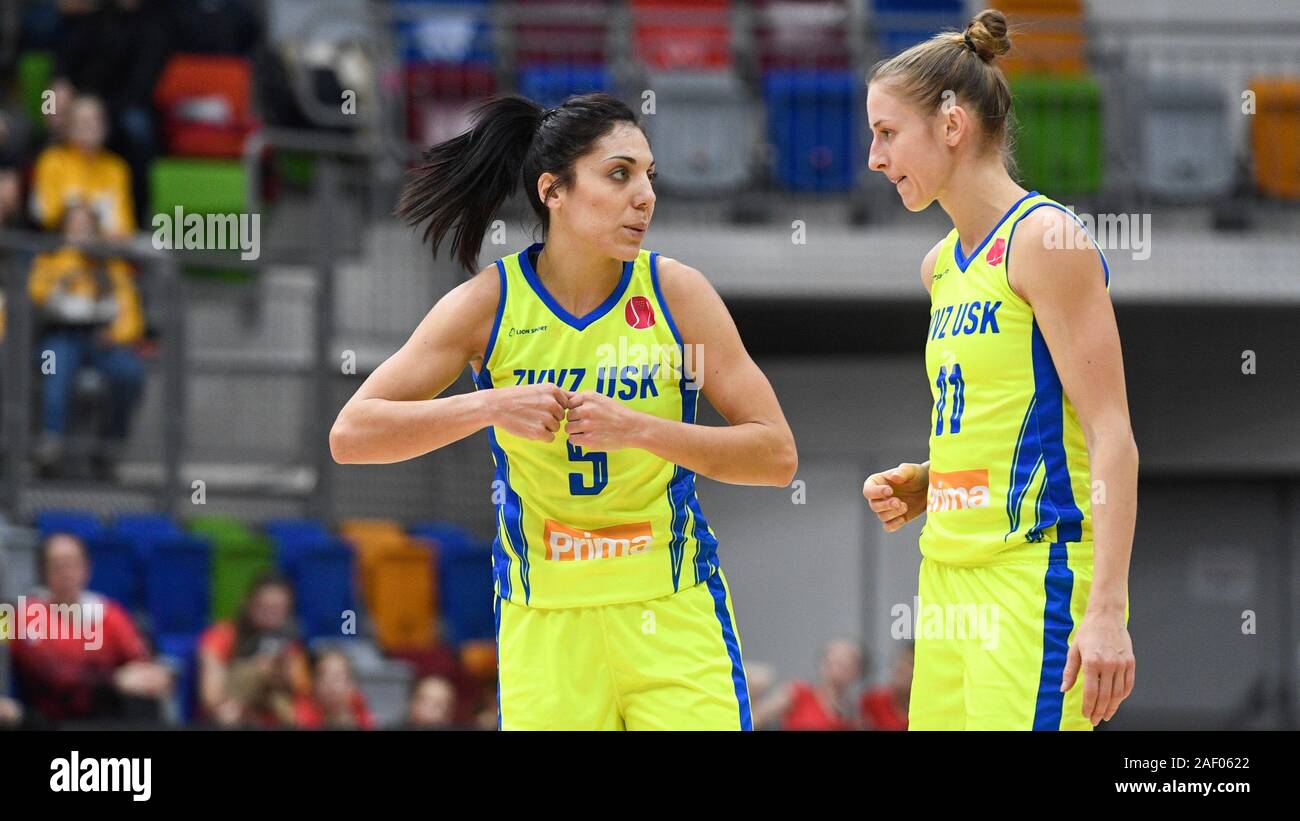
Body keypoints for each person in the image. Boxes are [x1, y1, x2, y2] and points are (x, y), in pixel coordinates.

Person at [331, 93, 798, 730]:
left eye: (649, 176)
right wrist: (489, 404)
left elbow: (775, 456)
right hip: (544, 622)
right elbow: (352, 434)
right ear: (553, 190)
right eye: (618, 174)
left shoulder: (676, 294)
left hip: (671, 609)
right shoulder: (490, 305)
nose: (644, 196)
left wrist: (640, 428)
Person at [861, 10, 1138, 730]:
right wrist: (932, 478)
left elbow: (1111, 433)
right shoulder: (940, 267)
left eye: (887, 133)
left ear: (951, 124)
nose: (873, 156)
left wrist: (1107, 609)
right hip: (947, 575)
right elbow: (1009, 411)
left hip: (1033, 574)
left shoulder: (1045, 239)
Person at [29, 202, 146, 478]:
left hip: (101, 340)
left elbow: (131, 314)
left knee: (130, 373)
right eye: (75, 226)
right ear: (64, 230)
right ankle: (51, 445)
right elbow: (38, 295)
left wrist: (116, 334)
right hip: (60, 336)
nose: (82, 232)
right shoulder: (51, 259)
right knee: (53, 366)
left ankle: (108, 448)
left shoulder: (111, 264)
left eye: (87, 226)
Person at [8, 532, 172, 725]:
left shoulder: (108, 613)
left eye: (71, 563)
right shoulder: (26, 614)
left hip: (105, 714)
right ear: (44, 572)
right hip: (51, 718)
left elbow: (140, 661)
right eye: (57, 564)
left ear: (86, 569)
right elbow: (56, 677)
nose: (65, 572)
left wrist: (151, 675)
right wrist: (114, 681)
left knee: (145, 700)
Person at [197, 573, 312, 727]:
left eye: (278, 608)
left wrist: (282, 671)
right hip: (235, 707)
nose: (271, 615)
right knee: (227, 715)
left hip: (272, 711)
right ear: (248, 603)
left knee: (302, 714)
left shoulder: (290, 643)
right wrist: (254, 673)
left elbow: (300, 687)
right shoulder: (221, 636)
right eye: (264, 607)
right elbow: (211, 697)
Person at [30, 94, 135, 238]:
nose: (91, 126)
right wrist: (76, 217)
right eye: (83, 121)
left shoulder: (116, 167)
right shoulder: (52, 160)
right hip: (59, 250)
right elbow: (46, 215)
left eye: (96, 119)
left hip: (105, 253)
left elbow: (123, 225)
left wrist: (89, 219)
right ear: (69, 126)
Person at [754, 638, 864, 731]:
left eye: (846, 664)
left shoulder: (854, 710)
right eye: (834, 662)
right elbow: (755, 718)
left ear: (857, 670)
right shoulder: (798, 693)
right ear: (823, 664)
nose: (838, 669)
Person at [293, 648, 375, 730]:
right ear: (315, 685)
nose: (331, 685)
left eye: (337, 678)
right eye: (323, 677)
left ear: (351, 684)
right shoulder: (300, 721)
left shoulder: (365, 721)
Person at [859, 642, 911, 731]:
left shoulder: (928, 710)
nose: (901, 668)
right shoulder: (872, 701)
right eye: (900, 661)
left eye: (910, 663)